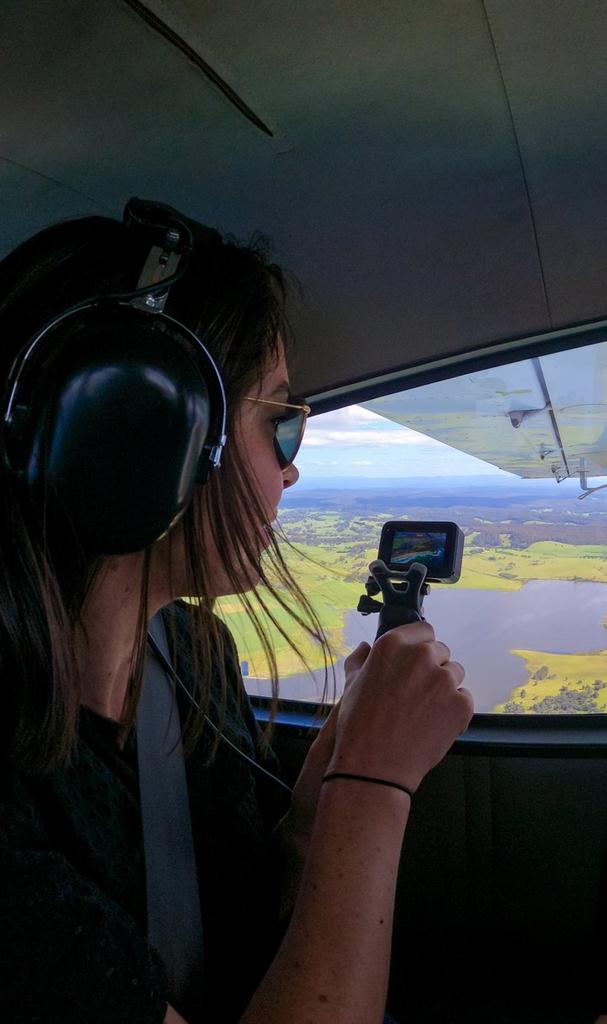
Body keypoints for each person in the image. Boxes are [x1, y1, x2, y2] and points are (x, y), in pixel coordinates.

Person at [0, 201, 474, 1024]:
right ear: (144, 439)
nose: (289, 475)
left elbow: (249, 931)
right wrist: (375, 786)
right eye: (281, 425)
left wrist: (317, 805)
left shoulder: (192, 653)